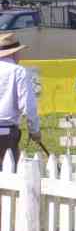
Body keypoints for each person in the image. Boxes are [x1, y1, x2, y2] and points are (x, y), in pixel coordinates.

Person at [0, 33, 41, 163]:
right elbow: (28, 106)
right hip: (5, 131)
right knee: (8, 175)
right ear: (13, 53)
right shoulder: (18, 71)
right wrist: (34, 130)